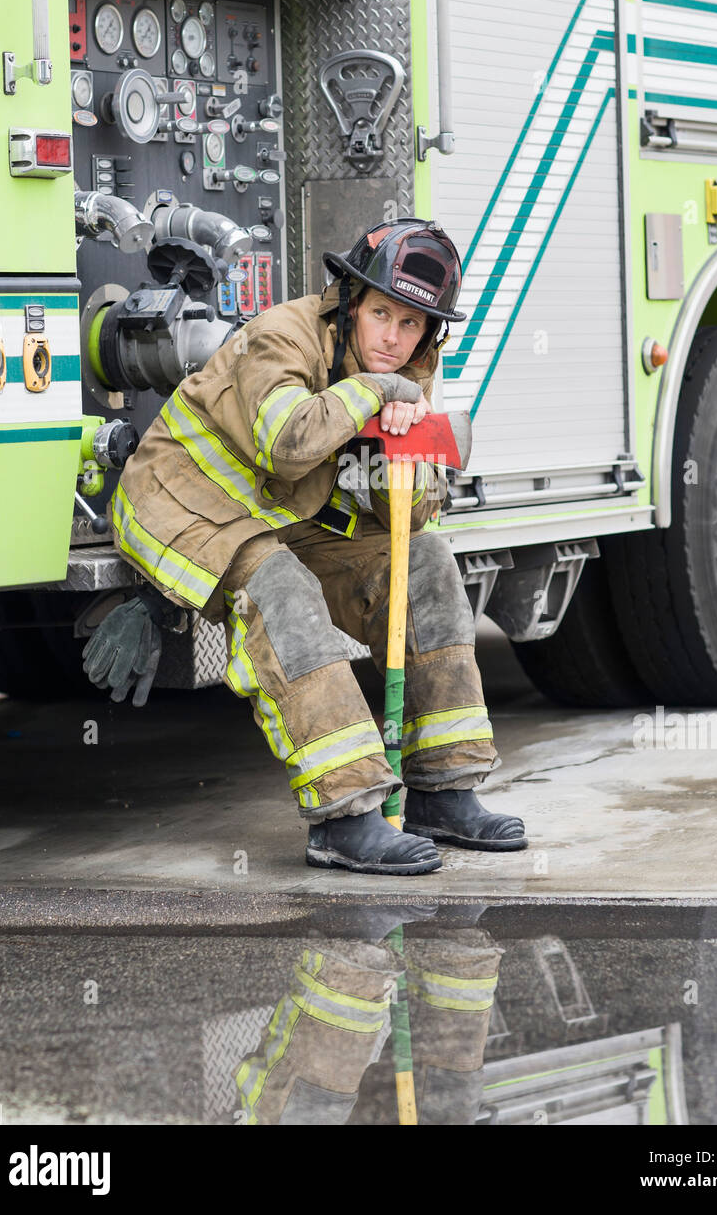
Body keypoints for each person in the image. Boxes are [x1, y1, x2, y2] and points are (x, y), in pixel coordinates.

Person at [84, 218, 527, 874]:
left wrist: (394, 453)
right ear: (349, 301)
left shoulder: (407, 366)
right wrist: (376, 394)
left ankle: (442, 788)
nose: (393, 338)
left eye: (412, 325)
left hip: (280, 512)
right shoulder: (280, 335)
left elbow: (412, 508)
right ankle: (345, 815)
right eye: (382, 314)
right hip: (181, 501)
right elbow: (286, 445)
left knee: (426, 559)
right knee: (279, 586)